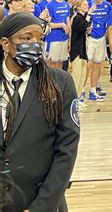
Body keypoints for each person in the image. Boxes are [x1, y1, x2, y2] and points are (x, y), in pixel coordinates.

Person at [0, 12, 80, 211]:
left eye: (40, 38)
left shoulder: (60, 83)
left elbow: (66, 150)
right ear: (5, 44)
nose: (35, 44)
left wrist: (42, 206)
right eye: (27, 38)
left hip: (40, 200)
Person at [69, 0, 91, 100]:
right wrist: (89, 15)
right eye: (85, 4)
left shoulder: (81, 17)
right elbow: (82, 26)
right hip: (76, 49)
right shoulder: (77, 17)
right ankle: (73, 97)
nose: (87, 6)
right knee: (76, 75)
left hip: (82, 49)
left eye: (87, 4)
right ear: (78, 6)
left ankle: (77, 97)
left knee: (83, 74)